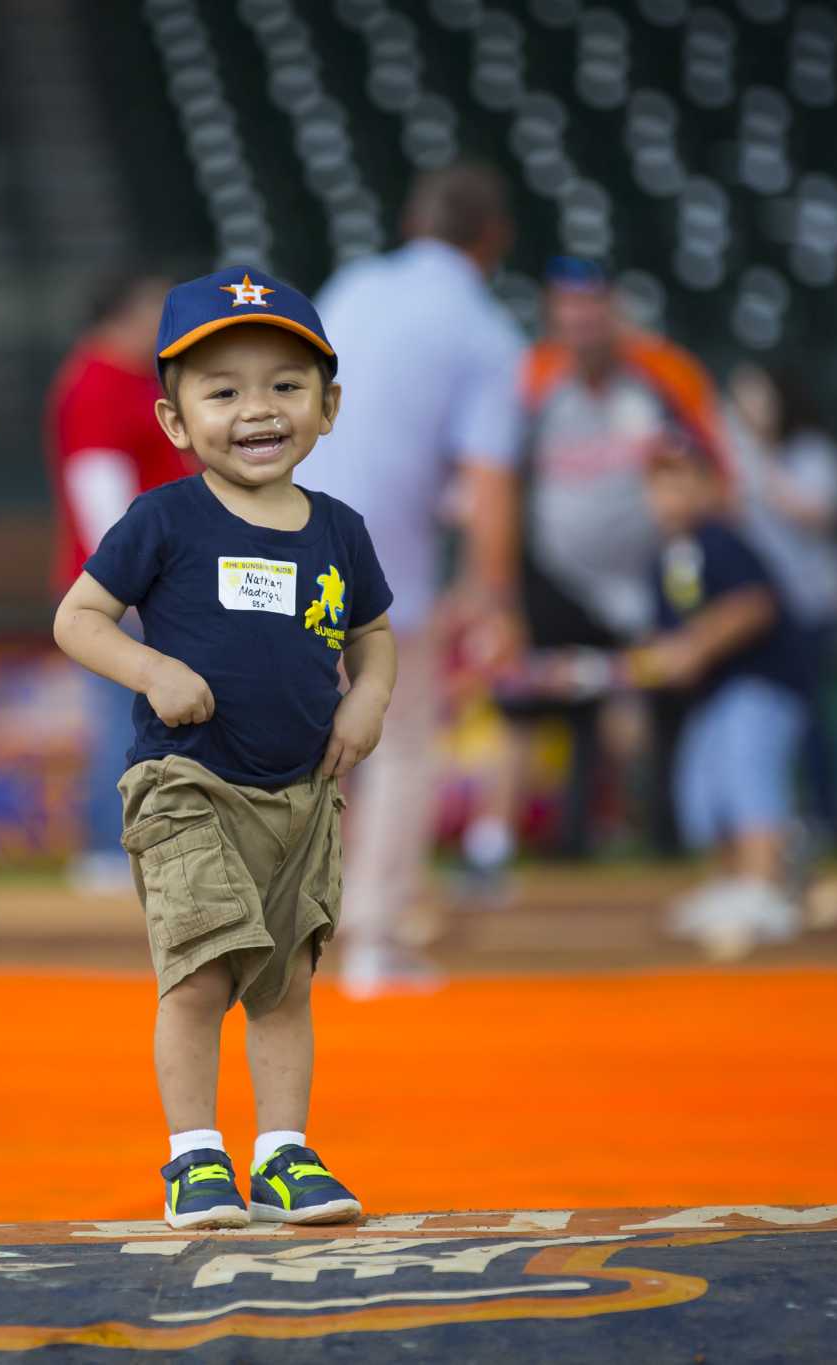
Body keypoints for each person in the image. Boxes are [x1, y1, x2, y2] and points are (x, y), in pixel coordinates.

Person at [53, 267, 395, 1229]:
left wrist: (367, 699)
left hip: (300, 793)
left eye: (286, 386)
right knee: (202, 972)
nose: (257, 409)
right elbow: (78, 620)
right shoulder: (161, 519)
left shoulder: (341, 530)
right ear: (173, 421)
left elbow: (372, 635)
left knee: (283, 983)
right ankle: (194, 1159)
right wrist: (151, 668)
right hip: (186, 782)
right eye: (224, 390)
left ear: (329, 408)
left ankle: (284, 1154)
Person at [299, 163, 527, 993]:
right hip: (381, 567)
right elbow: (491, 479)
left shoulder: (353, 284)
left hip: (283, 533)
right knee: (396, 749)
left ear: (412, 223)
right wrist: (493, 597)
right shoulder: (486, 331)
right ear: (491, 240)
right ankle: (377, 941)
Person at [466, 258, 726, 872]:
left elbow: (718, 476)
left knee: (659, 703)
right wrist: (493, 586)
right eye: (569, 308)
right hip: (555, 575)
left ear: (616, 311)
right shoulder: (532, 380)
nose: (582, 320)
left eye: (594, 306)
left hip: (652, 575)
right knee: (523, 701)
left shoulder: (665, 376)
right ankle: (493, 849)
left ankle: (666, 837)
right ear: (555, 317)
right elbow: (496, 480)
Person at [513, 430, 813, 957]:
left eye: (682, 480)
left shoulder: (721, 541)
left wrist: (693, 647)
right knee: (702, 788)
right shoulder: (662, 561)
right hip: (713, 699)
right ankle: (730, 885)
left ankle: (766, 887)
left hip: (761, 687)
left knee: (747, 777)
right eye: (658, 483)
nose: (669, 495)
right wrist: (592, 672)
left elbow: (753, 608)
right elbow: (656, 650)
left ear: (712, 486)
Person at [44, 269, 191, 893]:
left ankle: (132, 849)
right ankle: (106, 851)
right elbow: (96, 488)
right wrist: (128, 581)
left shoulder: (133, 379)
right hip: (116, 583)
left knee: (142, 721)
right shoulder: (98, 380)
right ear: (124, 313)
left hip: (145, 576)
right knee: (121, 722)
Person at [727, 362, 837, 836]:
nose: (750, 409)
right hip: (761, 612)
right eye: (741, 400)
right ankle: (768, 821)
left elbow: (815, 512)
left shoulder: (812, 453)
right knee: (762, 719)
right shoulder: (732, 458)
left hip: (812, 606)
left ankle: (824, 818)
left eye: (758, 397)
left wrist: (758, 463)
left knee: (810, 717)